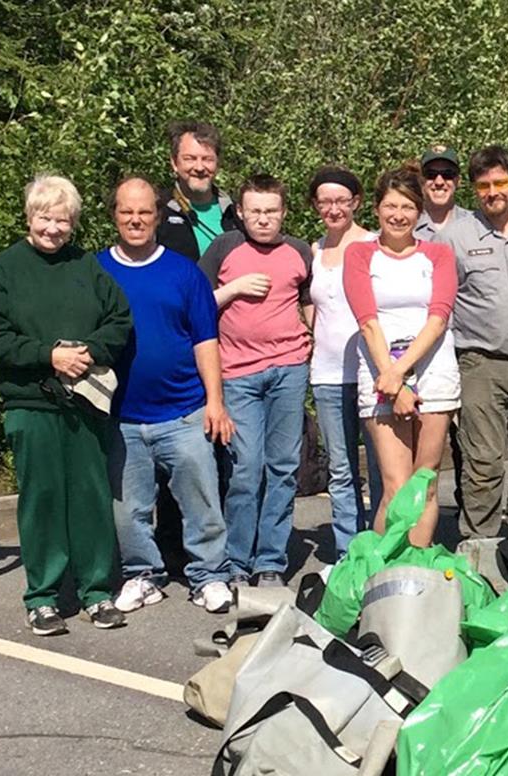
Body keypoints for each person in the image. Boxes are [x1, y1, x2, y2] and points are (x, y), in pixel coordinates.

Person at [0, 174, 132, 636]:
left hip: (85, 400)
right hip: (31, 402)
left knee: (91, 496)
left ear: (74, 223)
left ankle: (97, 592)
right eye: (45, 218)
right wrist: (48, 355)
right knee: (41, 499)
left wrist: (89, 352)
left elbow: (119, 319)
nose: (53, 229)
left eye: (63, 220)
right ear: (29, 216)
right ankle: (42, 597)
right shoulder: (6, 269)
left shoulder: (88, 267)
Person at [97, 177, 236, 615]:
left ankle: (210, 576)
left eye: (144, 212)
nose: (135, 220)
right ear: (114, 216)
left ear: (157, 215)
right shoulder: (97, 270)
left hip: (184, 412)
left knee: (201, 504)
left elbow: (205, 339)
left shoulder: (183, 272)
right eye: (126, 212)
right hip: (122, 416)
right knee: (129, 511)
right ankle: (143, 575)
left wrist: (214, 401)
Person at [198, 175, 315, 587]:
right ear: (241, 213)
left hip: (289, 369)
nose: (263, 219)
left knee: (282, 468)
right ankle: (235, 560)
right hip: (238, 374)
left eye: (271, 211)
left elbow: (309, 302)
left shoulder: (300, 251)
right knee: (245, 471)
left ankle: (270, 561)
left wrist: (309, 345)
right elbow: (195, 304)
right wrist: (232, 289)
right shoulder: (224, 249)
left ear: (283, 212)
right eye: (255, 211)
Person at [435, 146, 508, 539]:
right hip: (480, 362)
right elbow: (443, 305)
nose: (492, 191)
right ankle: (478, 545)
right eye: (483, 185)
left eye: (500, 182)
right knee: (482, 462)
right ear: (474, 190)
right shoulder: (455, 237)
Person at [345, 165, 461, 547]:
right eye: (391, 206)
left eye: (408, 207)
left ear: (420, 211)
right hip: (381, 373)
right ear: (376, 209)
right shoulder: (359, 255)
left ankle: (415, 569)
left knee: (425, 483)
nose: (399, 215)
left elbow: (438, 317)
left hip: (432, 371)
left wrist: (402, 372)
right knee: (396, 487)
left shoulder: (439, 255)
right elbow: (368, 322)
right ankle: (379, 576)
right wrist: (393, 382)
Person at [308, 165, 384, 555]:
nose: (334, 208)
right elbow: (311, 306)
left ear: (355, 202)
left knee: (379, 465)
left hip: (372, 372)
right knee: (340, 469)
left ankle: (382, 545)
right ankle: (347, 551)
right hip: (327, 373)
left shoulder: (374, 244)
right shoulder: (314, 251)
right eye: (325, 201)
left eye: (341, 200)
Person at [157, 122, 239, 261]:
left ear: (218, 164)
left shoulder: (237, 213)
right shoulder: (156, 210)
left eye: (207, 159)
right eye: (190, 159)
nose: (199, 167)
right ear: (174, 163)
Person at [414, 145, 471, 240]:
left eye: (447, 174)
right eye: (431, 174)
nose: (439, 182)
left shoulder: (475, 225)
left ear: (458, 181)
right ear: (421, 180)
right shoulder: (406, 224)